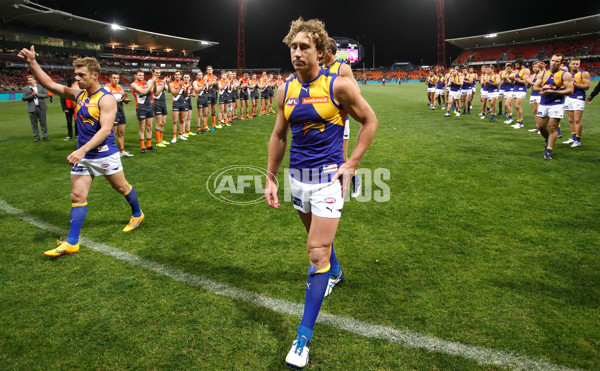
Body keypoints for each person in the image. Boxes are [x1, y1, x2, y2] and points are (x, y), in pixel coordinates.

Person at [265, 17, 377, 369]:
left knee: (315, 252)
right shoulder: (285, 89)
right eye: (293, 47)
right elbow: (280, 135)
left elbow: (369, 121)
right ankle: (336, 272)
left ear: (319, 50)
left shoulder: (339, 86)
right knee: (317, 239)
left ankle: (303, 338)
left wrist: (353, 162)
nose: (297, 53)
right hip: (297, 178)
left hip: (329, 179)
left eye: (304, 47)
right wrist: (270, 177)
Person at [17, 46, 144, 257]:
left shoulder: (106, 99)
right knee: (77, 195)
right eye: (76, 74)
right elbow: (48, 84)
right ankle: (72, 242)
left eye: (81, 75)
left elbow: (105, 130)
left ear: (96, 75)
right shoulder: (78, 94)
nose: (77, 79)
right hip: (83, 155)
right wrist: (32, 62)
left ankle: (137, 213)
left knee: (121, 187)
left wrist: (82, 149)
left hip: (104, 154)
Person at [323, 36, 362, 198]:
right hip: (323, 119)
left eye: (321, 50)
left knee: (342, 156)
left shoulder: (342, 68)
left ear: (329, 52)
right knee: (325, 155)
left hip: (340, 120)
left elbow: (356, 92)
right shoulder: (320, 68)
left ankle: (356, 179)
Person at [533, 54, 574, 160]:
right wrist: (543, 89)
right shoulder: (544, 73)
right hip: (544, 103)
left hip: (557, 103)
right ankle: (547, 140)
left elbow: (570, 90)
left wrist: (553, 91)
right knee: (541, 127)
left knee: (553, 127)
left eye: (556, 61)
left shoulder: (565, 75)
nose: (553, 63)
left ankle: (548, 151)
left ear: (561, 63)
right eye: (552, 61)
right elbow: (535, 87)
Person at [104, 73, 133, 157]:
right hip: (112, 112)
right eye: (114, 78)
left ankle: (122, 151)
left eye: (117, 78)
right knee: (113, 134)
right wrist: (118, 100)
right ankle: (110, 152)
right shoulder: (107, 88)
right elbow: (105, 101)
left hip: (120, 111)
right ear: (110, 79)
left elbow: (123, 100)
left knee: (121, 133)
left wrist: (125, 100)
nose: (116, 80)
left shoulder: (120, 88)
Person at [563, 57, 590, 147]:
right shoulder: (567, 75)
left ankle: (578, 140)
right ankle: (573, 137)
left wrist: (575, 84)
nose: (575, 66)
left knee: (577, 119)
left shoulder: (584, 73)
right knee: (571, 120)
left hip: (579, 98)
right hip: (569, 98)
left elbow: (587, 86)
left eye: (577, 64)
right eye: (573, 64)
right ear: (569, 65)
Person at [131, 70, 156, 153]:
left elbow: (154, 91)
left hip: (149, 106)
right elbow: (143, 91)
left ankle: (149, 145)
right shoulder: (134, 84)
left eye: (143, 75)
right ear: (135, 75)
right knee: (142, 127)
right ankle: (142, 147)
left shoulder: (145, 83)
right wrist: (151, 84)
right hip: (141, 107)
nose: (142, 77)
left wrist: (154, 84)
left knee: (150, 126)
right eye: (140, 75)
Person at [22, 75, 49, 142]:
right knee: (34, 124)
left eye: (31, 80)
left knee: (43, 122)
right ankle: (36, 137)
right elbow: (24, 98)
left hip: (41, 107)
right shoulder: (25, 89)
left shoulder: (41, 87)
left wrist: (38, 95)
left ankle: (45, 136)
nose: (30, 81)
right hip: (32, 108)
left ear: (35, 80)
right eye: (29, 80)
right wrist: (32, 95)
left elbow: (47, 95)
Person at [151, 67, 171, 147]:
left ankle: (161, 140)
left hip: (163, 103)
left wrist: (168, 83)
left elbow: (169, 91)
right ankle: (158, 141)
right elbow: (155, 93)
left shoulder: (161, 81)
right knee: (158, 122)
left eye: (159, 73)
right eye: (156, 72)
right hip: (156, 103)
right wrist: (163, 84)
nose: (158, 74)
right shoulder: (151, 81)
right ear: (152, 72)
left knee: (163, 123)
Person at [167, 70, 188, 142]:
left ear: (181, 76)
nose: (177, 76)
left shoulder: (183, 83)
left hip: (183, 103)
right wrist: (180, 87)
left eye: (178, 74)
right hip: (175, 104)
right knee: (175, 121)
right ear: (174, 76)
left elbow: (185, 95)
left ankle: (180, 135)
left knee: (182, 120)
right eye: (176, 74)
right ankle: (174, 137)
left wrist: (186, 88)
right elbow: (174, 93)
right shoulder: (172, 84)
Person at [509, 59, 530, 129]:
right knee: (515, 106)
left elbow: (525, 82)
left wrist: (515, 79)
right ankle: (520, 122)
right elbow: (512, 83)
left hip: (521, 89)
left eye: (517, 65)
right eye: (515, 65)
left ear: (521, 64)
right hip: (515, 88)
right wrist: (511, 79)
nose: (516, 66)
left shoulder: (526, 70)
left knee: (518, 105)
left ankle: (519, 122)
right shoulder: (516, 71)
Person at [526, 61, 544, 134]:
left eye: (536, 67)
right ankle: (537, 127)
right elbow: (528, 87)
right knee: (535, 111)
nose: (535, 68)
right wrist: (527, 81)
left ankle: (542, 128)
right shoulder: (532, 75)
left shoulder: (542, 75)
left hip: (540, 94)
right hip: (533, 95)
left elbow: (542, 85)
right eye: (534, 67)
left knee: (540, 112)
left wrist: (531, 82)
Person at [60, 76, 77, 141]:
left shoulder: (75, 88)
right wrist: (64, 108)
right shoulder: (65, 89)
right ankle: (70, 135)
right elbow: (62, 99)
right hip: (68, 108)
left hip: (75, 107)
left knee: (76, 122)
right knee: (69, 122)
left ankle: (77, 134)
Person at [203, 65, 219, 130]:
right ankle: (206, 125)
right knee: (207, 111)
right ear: (207, 71)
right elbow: (205, 85)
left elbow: (217, 85)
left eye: (211, 69)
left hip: (214, 94)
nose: (210, 70)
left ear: (212, 70)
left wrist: (217, 84)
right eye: (208, 69)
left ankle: (213, 124)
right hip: (208, 94)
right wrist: (213, 83)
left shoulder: (215, 77)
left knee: (214, 110)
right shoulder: (205, 77)